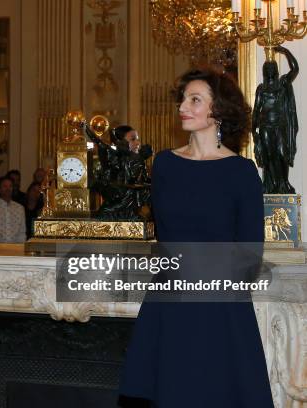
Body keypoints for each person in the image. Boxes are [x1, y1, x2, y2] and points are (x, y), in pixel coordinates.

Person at [118, 68, 273, 407]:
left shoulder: (242, 173)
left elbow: (250, 258)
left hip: (220, 310)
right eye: (184, 99)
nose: (182, 107)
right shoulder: (165, 165)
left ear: (217, 111)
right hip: (170, 304)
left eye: (194, 100)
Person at [252, 45, 298, 194]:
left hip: (280, 126)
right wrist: (254, 133)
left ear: (276, 70)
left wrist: (285, 51)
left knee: (281, 153)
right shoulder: (261, 88)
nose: (270, 70)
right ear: (264, 71)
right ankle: (271, 185)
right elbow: (256, 110)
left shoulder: (283, 83)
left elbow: (295, 69)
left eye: (273, 68)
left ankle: (283, 183)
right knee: (269, 156)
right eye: (268, 68)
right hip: (265, 126)